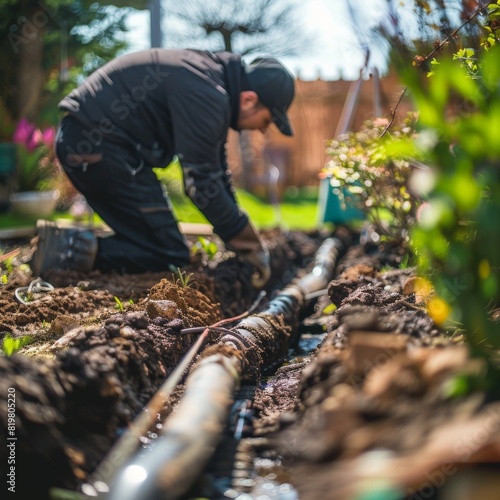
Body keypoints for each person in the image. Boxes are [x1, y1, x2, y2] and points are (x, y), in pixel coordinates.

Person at [30, 49, 295, 288]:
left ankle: (68, 250)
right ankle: (62, 250)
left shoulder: (208, 80)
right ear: (249, 100)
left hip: (100, 145)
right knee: (167, 254)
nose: (262, 129)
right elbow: (201, 185)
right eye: (267, 120)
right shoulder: (207, 95)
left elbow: (216, 174)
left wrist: (240, 233)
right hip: (96, 147)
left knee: (162, 246)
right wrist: (249, 246)